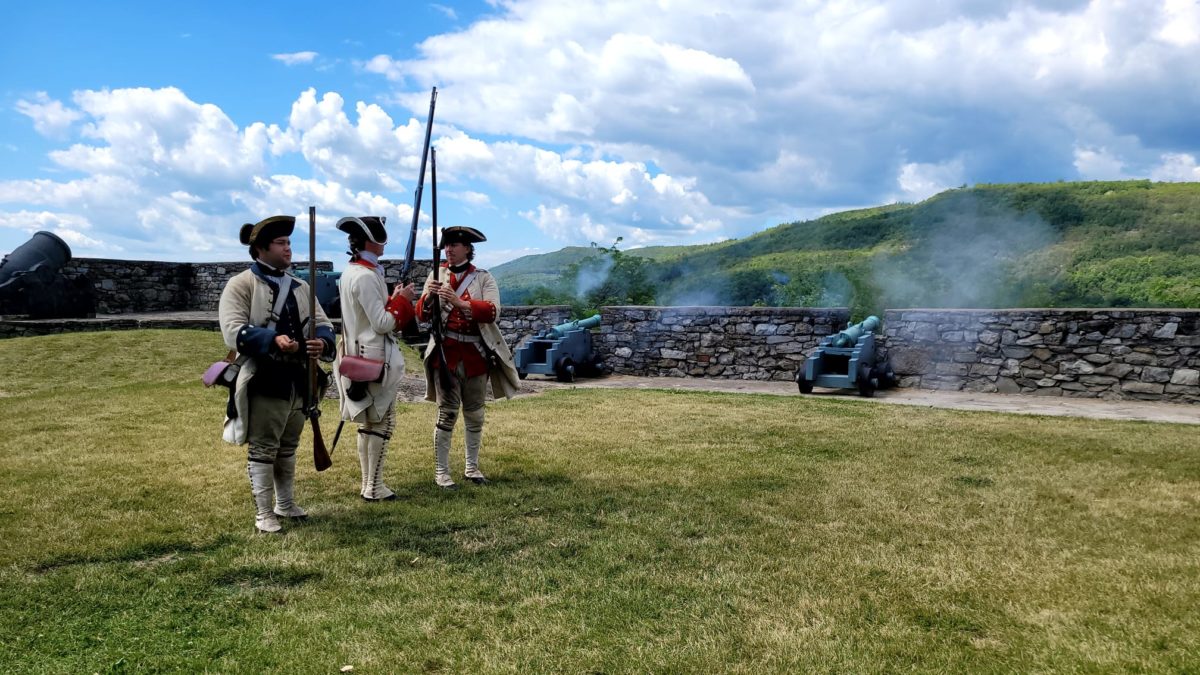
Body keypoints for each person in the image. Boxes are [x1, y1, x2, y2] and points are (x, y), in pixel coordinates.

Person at [218, 215, 335, 533]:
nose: (288, 249)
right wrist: (272, 339)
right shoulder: (241, 285)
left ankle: (285, 504)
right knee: (264, 447)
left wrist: (321, 341)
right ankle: (264, 512)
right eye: (281, 243)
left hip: (299, 377)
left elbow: (322, 322)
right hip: (265, 376)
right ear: (260, 248)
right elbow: (233, 331)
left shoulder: (301, 286)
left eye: (288, 243)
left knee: (288, 446)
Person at [417, 226, 520, 490]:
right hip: (446, 353)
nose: (449, 250)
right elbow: (422, 314)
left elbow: (493, 311)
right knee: (447, 414)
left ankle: (471, 467)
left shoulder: (483, 278)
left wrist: (460, 302)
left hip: (475, 354)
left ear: (467, 249)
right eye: (447, 245)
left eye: (454, 245)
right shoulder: (436, 274)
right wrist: (430, 297)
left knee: (475, 414)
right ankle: (441, 471)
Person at [332, 216, 417, 501]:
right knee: (382, 422)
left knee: (370, 422)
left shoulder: (354, 272)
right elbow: (382, 323)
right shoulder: (366, 276)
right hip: (374, 358)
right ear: (373, 240)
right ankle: (374, 485)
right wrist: (402, 300)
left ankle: (369, 484)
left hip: (358, 355)